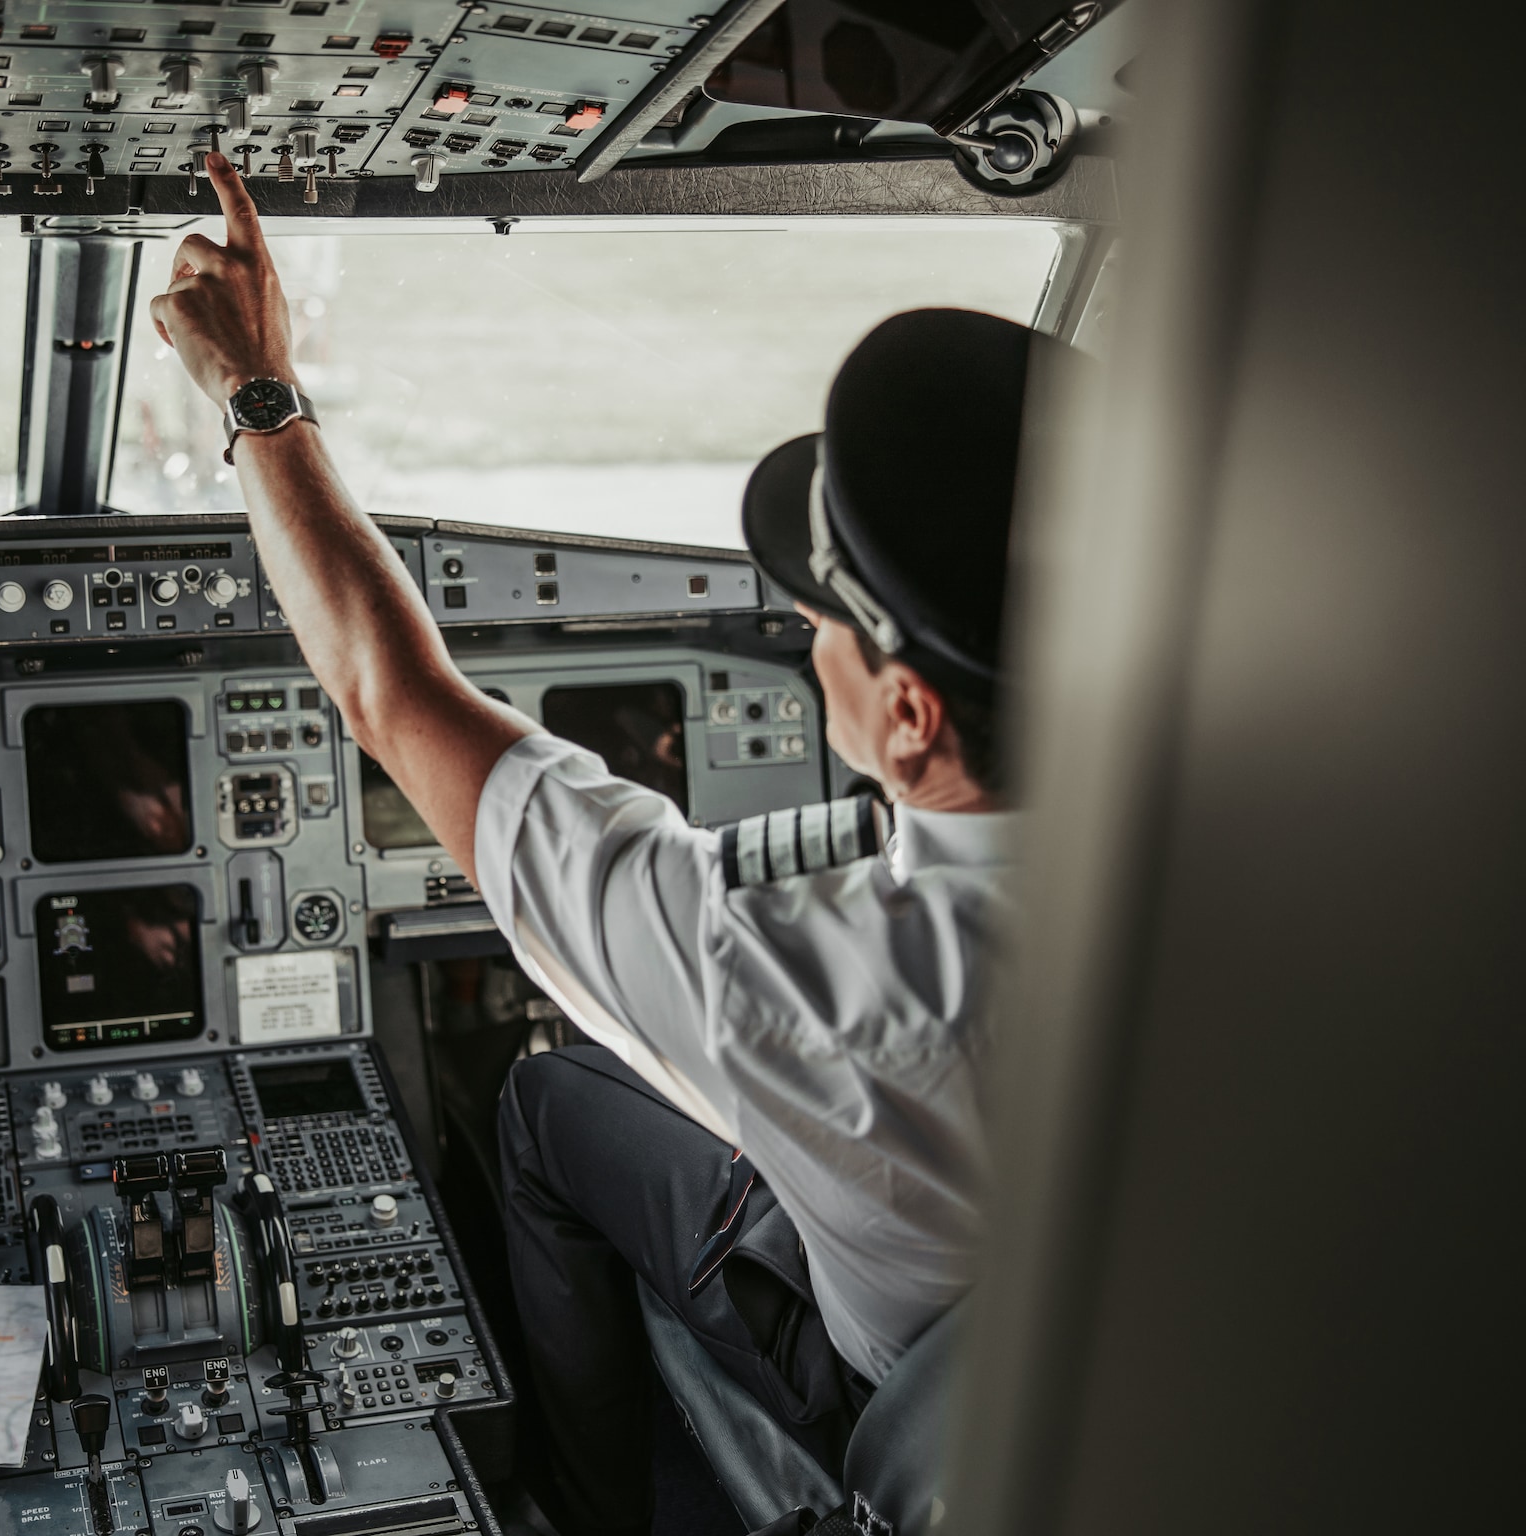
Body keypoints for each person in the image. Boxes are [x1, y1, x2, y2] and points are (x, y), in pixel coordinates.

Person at [151, 152, 1054, 1535]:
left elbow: (390, 697)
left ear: (914, 720)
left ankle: (581, 1510)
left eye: (825, 620)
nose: (804, 640)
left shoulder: (812, 994)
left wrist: (253, 390)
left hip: (936, 1425)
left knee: (544, 1105)